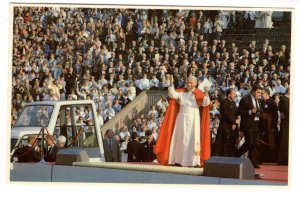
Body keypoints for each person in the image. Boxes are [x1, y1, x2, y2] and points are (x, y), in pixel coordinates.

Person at [155, 75, 210, 167]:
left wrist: (206, 93)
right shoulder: (181, 92)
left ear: (195, 84)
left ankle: (194, 161)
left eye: (190, 82)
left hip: (194, 118)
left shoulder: (199, 93)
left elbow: (205, 103)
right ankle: (178, 160)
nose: (188, 84)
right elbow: (172, 94)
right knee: (180, 139)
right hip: (181, 118)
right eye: (187, 82)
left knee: (193, 140)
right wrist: (171, 83)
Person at [236, 85, 263, 168]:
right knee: (249, 142)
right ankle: (236, 154)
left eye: (260, 93)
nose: (260, 94)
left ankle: (253, 163)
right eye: (258, 92)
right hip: (248, 124)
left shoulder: (258, 101)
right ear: (253, 91)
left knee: (256, 144)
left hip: (256, 124)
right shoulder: (245, 99)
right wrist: (250, 112)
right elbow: (239, 111)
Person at [214, 88, 239, 157]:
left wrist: (235, 123)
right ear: (229, 94)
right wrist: (234, 121)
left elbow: (236, 113)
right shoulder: (223, 102)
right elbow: (225, 114)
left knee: (230, 144)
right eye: (233, 94)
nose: (235, 95)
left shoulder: (234, 103)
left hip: (232, 127)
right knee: (221, 143)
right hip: (224, 126)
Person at [260, 88, 278, 163]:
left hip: (270, 125)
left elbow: (275, 116)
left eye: (262, 93)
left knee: (271, 142)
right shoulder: (261, 102)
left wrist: (273, 126)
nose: (261, 95)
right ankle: (264, 158)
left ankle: (272, 158)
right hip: (263, 125)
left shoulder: (272, 103)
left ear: (267, 93)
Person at [277, 87, 289, 165]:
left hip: (288, 122)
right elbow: (287, 112)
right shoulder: (284, 100)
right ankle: (282, 159)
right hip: (286, 123)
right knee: (285, 140)